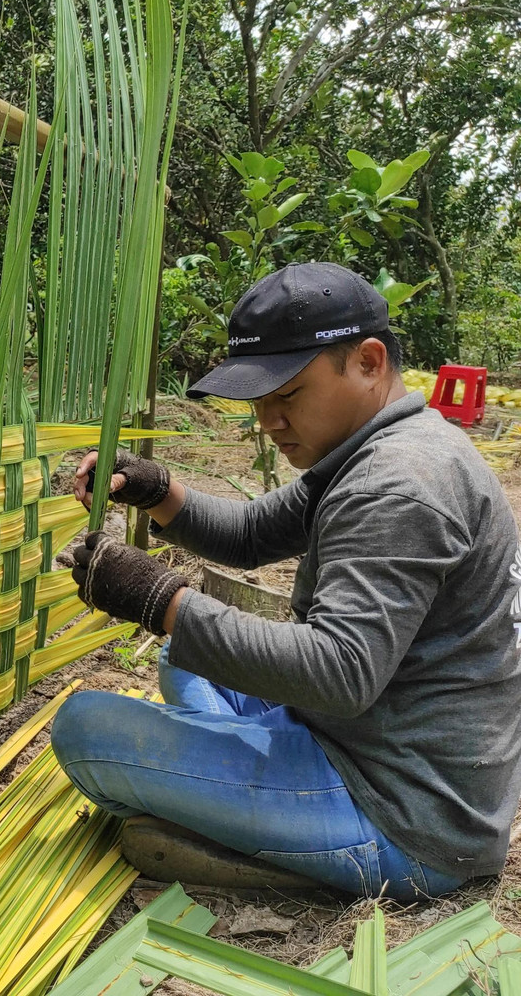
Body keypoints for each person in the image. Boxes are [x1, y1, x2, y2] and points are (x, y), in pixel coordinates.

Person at [52, 262, 521, 899]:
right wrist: (156, 490)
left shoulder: (398, 484)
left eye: (288, 395)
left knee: (84, 729)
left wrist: (158, 599)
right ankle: (246, 790)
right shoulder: (378, 445)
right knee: (182, 659)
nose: (268, 421)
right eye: (258, 402)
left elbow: (340, 672)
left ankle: (270, 838)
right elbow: (251, 533)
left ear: (368, 361)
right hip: (369, 741)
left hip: (403, 814)